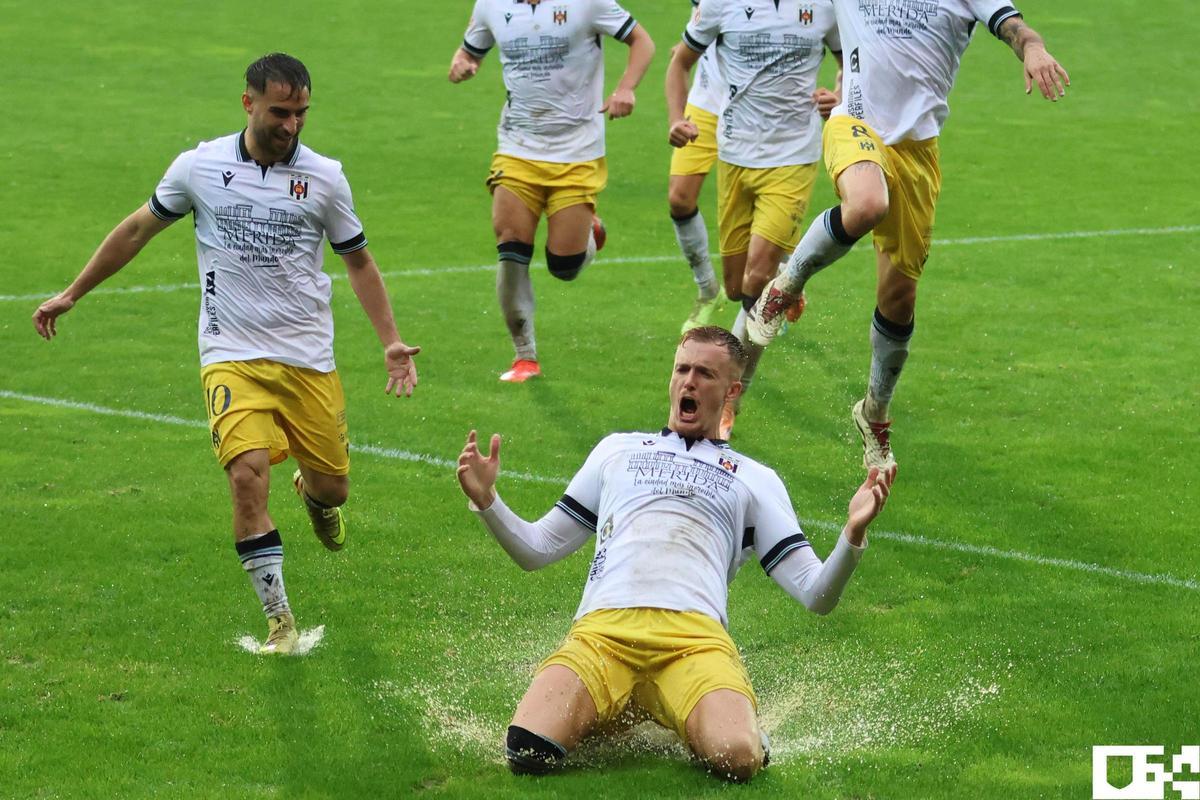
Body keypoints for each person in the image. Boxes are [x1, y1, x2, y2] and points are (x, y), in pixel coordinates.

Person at [32, 53, 420, 655]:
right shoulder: (200, 167)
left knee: (334, 488)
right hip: (230, 352)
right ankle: (281, 623)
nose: (292, 126)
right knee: (245, 477)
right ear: (248, 103)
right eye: (280, 112)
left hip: (307, 358)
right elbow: (138, 228)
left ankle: (315, 498)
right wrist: (72, 293)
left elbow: (358, 261)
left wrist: (390, 341)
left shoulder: (325, 177)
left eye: (301, 114)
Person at [456, 326, 895, 781]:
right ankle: (635, 707)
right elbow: (538, 549)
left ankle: (724, 720)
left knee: (737, 759)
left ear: (731, 390)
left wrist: (851, 534)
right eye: (682, 369)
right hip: (603, 633)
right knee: (529, 750)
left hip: (694, 641)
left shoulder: (756, 479)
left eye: (705, 374)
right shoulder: (615, 451)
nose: (689, 382)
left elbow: (816, 595)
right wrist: (489, 502)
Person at [745, 2, 1070, 469]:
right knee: (867, 203)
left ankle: (874, 410)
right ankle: (786, 284)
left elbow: (1015, 29)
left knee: (898, 300)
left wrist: (1034, 48)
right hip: (853, 124)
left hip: (917, 151)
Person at [448, 0, 655, 382]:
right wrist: (463, 63)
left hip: (577, 152)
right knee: (510, 245)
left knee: (564, 267)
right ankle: (524, 356)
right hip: (517, 147)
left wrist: (626, 88)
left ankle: (589, 233)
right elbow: (468, 50)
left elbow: (642, 41)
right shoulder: (491, 5)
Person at [666, 0, 841, 437]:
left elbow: (852, 64)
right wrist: (675, 118)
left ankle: (729, 400)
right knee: (737, 284)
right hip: (735, 155)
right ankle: (785, 281)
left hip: (793, 157)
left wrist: (838, 95)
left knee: (753, 286)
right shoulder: (720, 6)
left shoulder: (824, 7)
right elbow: (679, 64)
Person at [668, 1, 728, 334]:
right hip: (706, 99)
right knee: (680, 198)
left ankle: (772, 290)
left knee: (756, 198)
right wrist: (691, 42)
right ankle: (708, 289)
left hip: (764, 106)